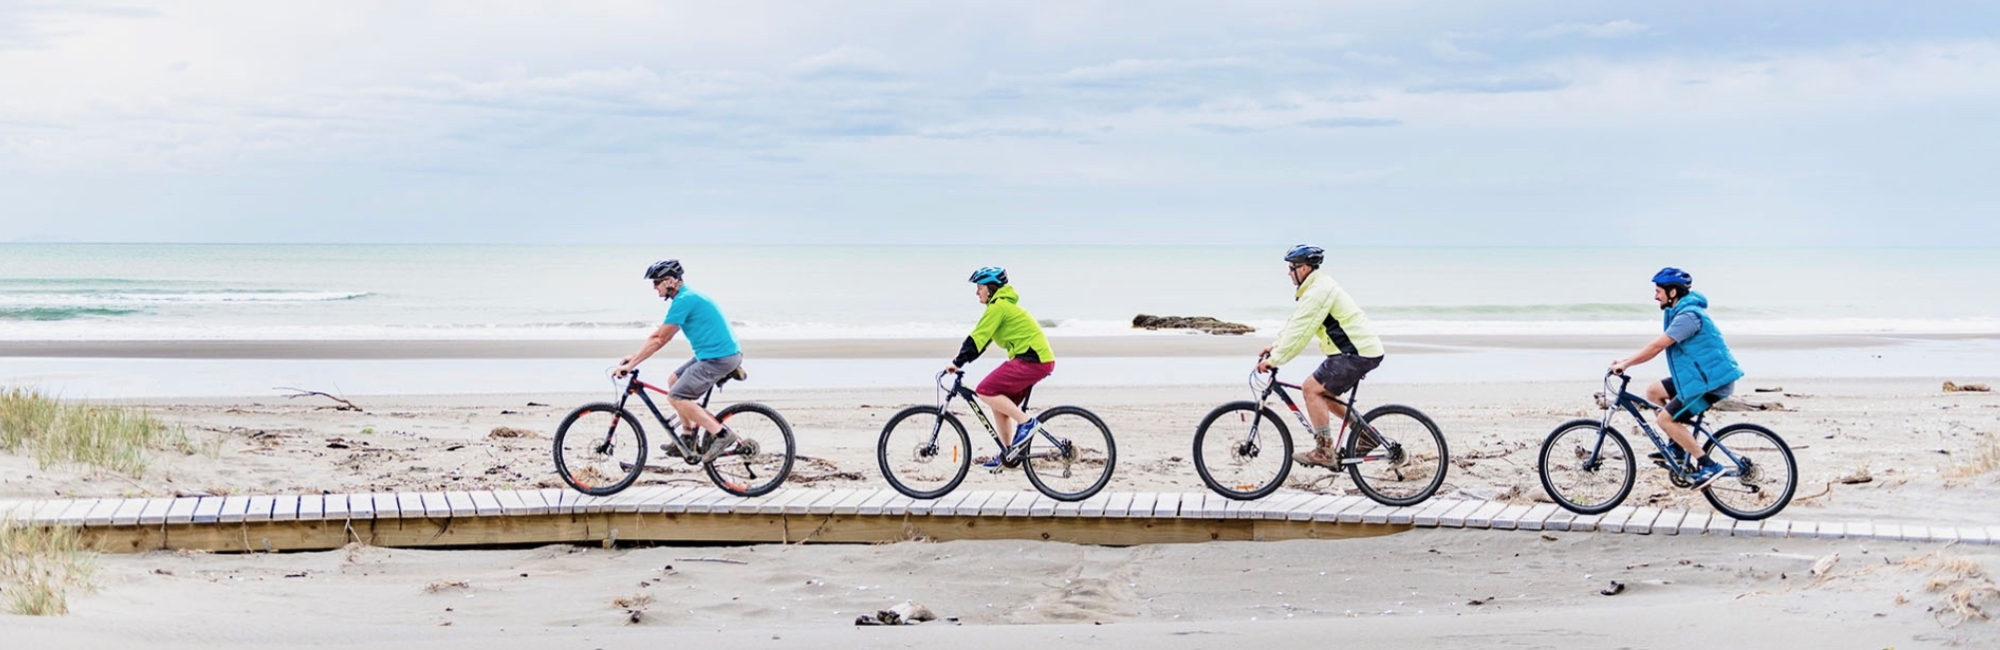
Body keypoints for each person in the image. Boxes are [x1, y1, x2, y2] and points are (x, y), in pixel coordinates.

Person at [1609, 267, 1744, 490]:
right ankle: (1677, 448)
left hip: (1712, 385)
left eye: (1658, 291)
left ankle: (1708, 464)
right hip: (1698, 379)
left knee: (1665, 419)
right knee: (1654, 392)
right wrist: (1625, 360)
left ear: (1673, 292)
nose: (1655, 296)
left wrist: (1625, 363)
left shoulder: (1688, 317)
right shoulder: (1680, 311)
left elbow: (1657, 347)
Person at [1257, 245, 1386, 468]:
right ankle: (1366, 434)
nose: (1289, 273)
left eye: (1291, 268)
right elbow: (1295, 324)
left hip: (1355, 353)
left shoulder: (1318, 292)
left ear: (1304, 268)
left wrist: (1275, 360)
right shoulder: (1316, 288)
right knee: (1324, 394)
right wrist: (1275, 347)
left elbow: (1301, 333)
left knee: (1310, 389)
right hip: (1358, 351)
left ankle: (1325, 451)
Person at [614, 259, 744, 463]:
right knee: (674, 381)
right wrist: (635, 357)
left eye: (657, 282)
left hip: (718, 357)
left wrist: (631, 365)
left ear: (671, 281)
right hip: (713, 354)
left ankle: (721, 435)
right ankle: (688, 437)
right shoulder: (685, 297)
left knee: (676, 397)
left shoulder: (685, 300)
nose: (654, 288)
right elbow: (658, 335)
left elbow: (661, 339)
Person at [944, 266, 1057, 468]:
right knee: (998, 403)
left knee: (985, 390)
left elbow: (976, 338)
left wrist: (957, 362)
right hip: (1034, 360)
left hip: (1033, 359)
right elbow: (982, 343)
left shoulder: (998, 307)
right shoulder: (1000, 307)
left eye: (979, 287)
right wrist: (960, 360)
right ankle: (1009, 454)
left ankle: (1026, 422)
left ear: (990, 288)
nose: (977, 292)